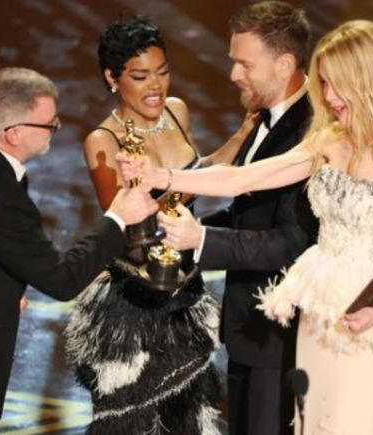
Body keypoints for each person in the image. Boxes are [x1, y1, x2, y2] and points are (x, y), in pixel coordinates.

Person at [119, 20, 373, 435]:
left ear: (369, 81)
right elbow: (243, 179)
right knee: (309, 424)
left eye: (338, 85)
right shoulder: (329, 141)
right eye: (324, 83)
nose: (328, 97)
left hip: (371, 318)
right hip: (318, 308)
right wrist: (161, 176)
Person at [64, 17, 251, 435]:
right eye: (140, 76)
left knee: (189, 416)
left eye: (163, 72)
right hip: (136, 304)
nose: (156, 87)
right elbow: (130, 219)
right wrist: (174, 183)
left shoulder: (177, 111)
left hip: (184, 290)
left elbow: (201, 171)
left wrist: (243, 133)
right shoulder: (103, 141)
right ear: (112, 78)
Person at [0, 67, 158, 435]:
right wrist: (118, 217)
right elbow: (62, 279)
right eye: (49, 124)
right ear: (14, 134)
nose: (57, 127)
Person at [149, 3, 318, 434]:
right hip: (250, 333)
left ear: (284, 64)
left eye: (245, 64)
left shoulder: (311, 132)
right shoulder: (267, 118)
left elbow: (292, 243)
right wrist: (180, 231)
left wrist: (202, 240)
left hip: (282, 339)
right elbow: (251, 213)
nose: (232, 75)